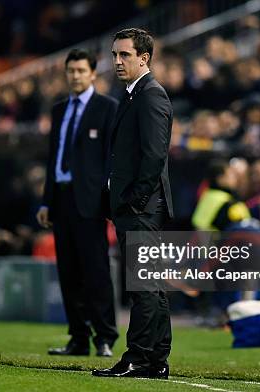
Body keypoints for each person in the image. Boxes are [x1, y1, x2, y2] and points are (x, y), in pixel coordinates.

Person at [93, 28, 174, 379]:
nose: (117, 61)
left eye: (124, 55)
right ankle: (156, 359)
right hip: (135, 206)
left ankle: (139, 358)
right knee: (150, 284)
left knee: (143, 285)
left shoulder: (150, 95)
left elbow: (155, 156)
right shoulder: (132, 95)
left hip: (141, 208)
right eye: (114, 55)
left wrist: (135, 200)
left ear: (144, 58)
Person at [37, 49, 119, 357]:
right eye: (71, 70)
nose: (75, 76)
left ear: (93, 74)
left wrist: (107, 199)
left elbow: (111, 158)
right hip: (61, 197)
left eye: (81, 70)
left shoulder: (107, 108)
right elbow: (53, 158)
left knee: (96, 271)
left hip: (90, 201)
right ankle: (78, 337)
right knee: (68, 272)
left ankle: (105, 336)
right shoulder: (59, 110)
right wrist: (46, 200)